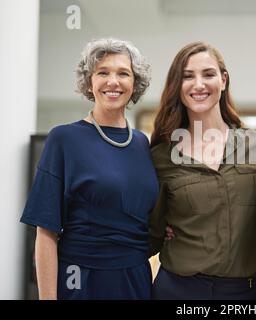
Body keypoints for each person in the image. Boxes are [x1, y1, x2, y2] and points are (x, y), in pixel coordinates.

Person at [148, 41, 256, 300]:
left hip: (246, 292)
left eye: (208, 74)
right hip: (178, 290)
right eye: (187, 77)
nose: (198, 85)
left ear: (223, 80)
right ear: (178, 86)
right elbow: (150, 228)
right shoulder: (161, 157)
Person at [20, 38, 159, 299]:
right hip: (82, 280)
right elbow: (45, 231)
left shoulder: (142, 143)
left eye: (123, 73)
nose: (113, 81)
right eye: (103, 72)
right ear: (89, 82)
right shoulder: (64, 139)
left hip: (136, 280)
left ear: (135, 83)